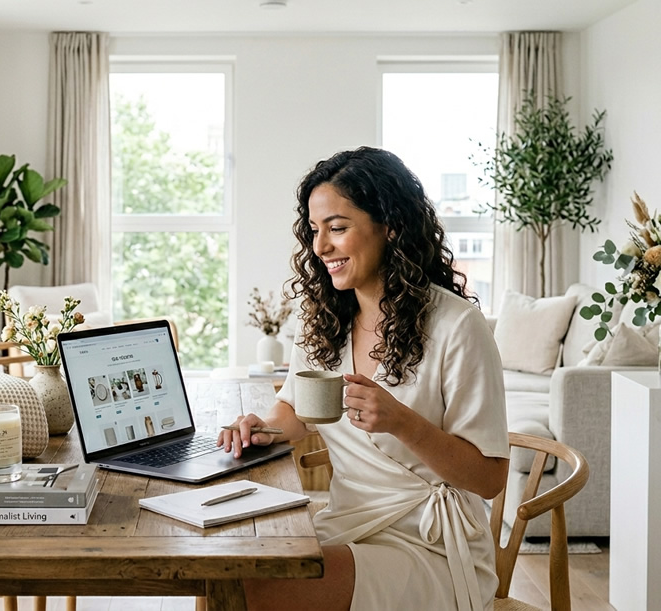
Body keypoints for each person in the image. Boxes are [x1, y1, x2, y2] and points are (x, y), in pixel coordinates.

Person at [218, 147, 509, 610]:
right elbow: (293, 408)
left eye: (337, 228)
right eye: (314, 231)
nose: (320, 247)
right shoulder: (324, 317)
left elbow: (489, 478)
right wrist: (263, 427)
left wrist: (403, 423)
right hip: (348, 524)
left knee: (257, 588)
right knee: (225, 570)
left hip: (431, 548)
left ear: (390, 226)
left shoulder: (457, 326)